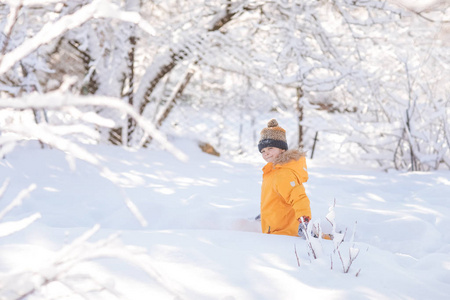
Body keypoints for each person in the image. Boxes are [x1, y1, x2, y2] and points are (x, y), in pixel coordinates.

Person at [258, 119, 312, 237]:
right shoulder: (271, 172)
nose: (266, 153)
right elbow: (274, 198)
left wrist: (304, 219)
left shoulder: (284, 174)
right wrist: (265, 213)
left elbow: (298, 197)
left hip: (284, 233)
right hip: (273, 228)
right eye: (263, 150)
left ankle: (326, 237)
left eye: (270, 148)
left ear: (282, 149)